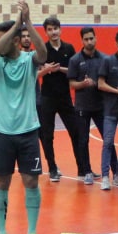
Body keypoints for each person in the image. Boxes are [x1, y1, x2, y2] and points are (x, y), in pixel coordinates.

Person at [0, 1, 47, 234]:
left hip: (28, 130)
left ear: (15, 40)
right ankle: (2, 232)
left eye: (4, 39)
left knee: (31, 181)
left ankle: (32, 232)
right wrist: (15, 25)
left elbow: (43, 53)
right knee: (2, 183)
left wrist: (27, 22)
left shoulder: (29, 60)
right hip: (2, 132)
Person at [37, 15, 83, 182]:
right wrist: (45, 69)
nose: (53, 32)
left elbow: (74, 70)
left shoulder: (69, 48)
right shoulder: (42, 49)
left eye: (55, 28)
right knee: (47, 135)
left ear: (60, 30)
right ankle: (52, 169)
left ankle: (82, 168)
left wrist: (59, 69)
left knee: (75, 132)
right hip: (47, 97)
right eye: (50, 29)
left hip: (65, 97)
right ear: (46, 32)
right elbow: (37, 71)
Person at [68, 26, 107, 186]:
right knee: (83, 141)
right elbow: (72, 84)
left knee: (108, 139)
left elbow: (107, 81)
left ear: (95, 38)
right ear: (82, 40)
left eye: (91, 38)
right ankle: (87, 172)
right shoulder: (75, 60)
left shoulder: (104, 59)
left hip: (101, 106)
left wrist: (97, 84)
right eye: (86, 39)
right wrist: (83, 84)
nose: (89, 41)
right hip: (82, 107)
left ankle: (115, 172)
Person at [96, 30, 118, 191]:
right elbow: (100, 84)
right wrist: (117, 91)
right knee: (108, 142)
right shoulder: (108, 61)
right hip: (110, 110)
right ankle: (105, 177)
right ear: (117, 43)